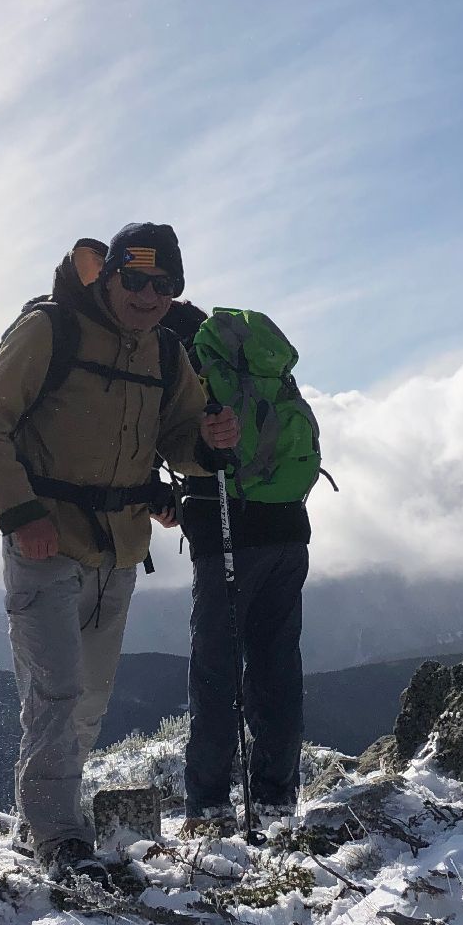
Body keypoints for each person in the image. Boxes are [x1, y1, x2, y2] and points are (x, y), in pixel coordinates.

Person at [0, 223, 239, 885]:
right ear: (110, 275)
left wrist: (209, 443)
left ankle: (40, 822)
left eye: (163, 285)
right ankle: (59, 839)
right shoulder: (51, 330)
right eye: (135, 280)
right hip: (45, 540)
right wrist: (20, 513)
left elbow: (180, 433)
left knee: (88, 698)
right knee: (56, 692)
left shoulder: (165, 351)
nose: (147, 296)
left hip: (120, 547)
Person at [175, 310, 315, 834]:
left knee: (217, 672)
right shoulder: (262, 365)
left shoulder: (190, 363)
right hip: (289, 530)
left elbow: (181, 443)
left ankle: (209, 806)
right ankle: (277, 799)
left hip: (229, 534)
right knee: (278, 666)